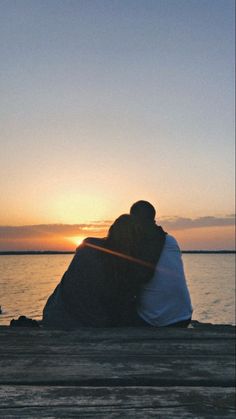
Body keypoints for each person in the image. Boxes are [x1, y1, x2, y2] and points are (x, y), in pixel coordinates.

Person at [42, 214, 157, 328]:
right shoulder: (126, 266)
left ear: (112, 230)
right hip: (90, 324)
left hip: (54, 315)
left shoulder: (88, 245)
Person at [130, 200, 193, 327]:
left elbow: (137, 278)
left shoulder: (138, 244)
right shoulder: (171, 240)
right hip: (184, 316)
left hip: (153, 320)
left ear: (134, 220)